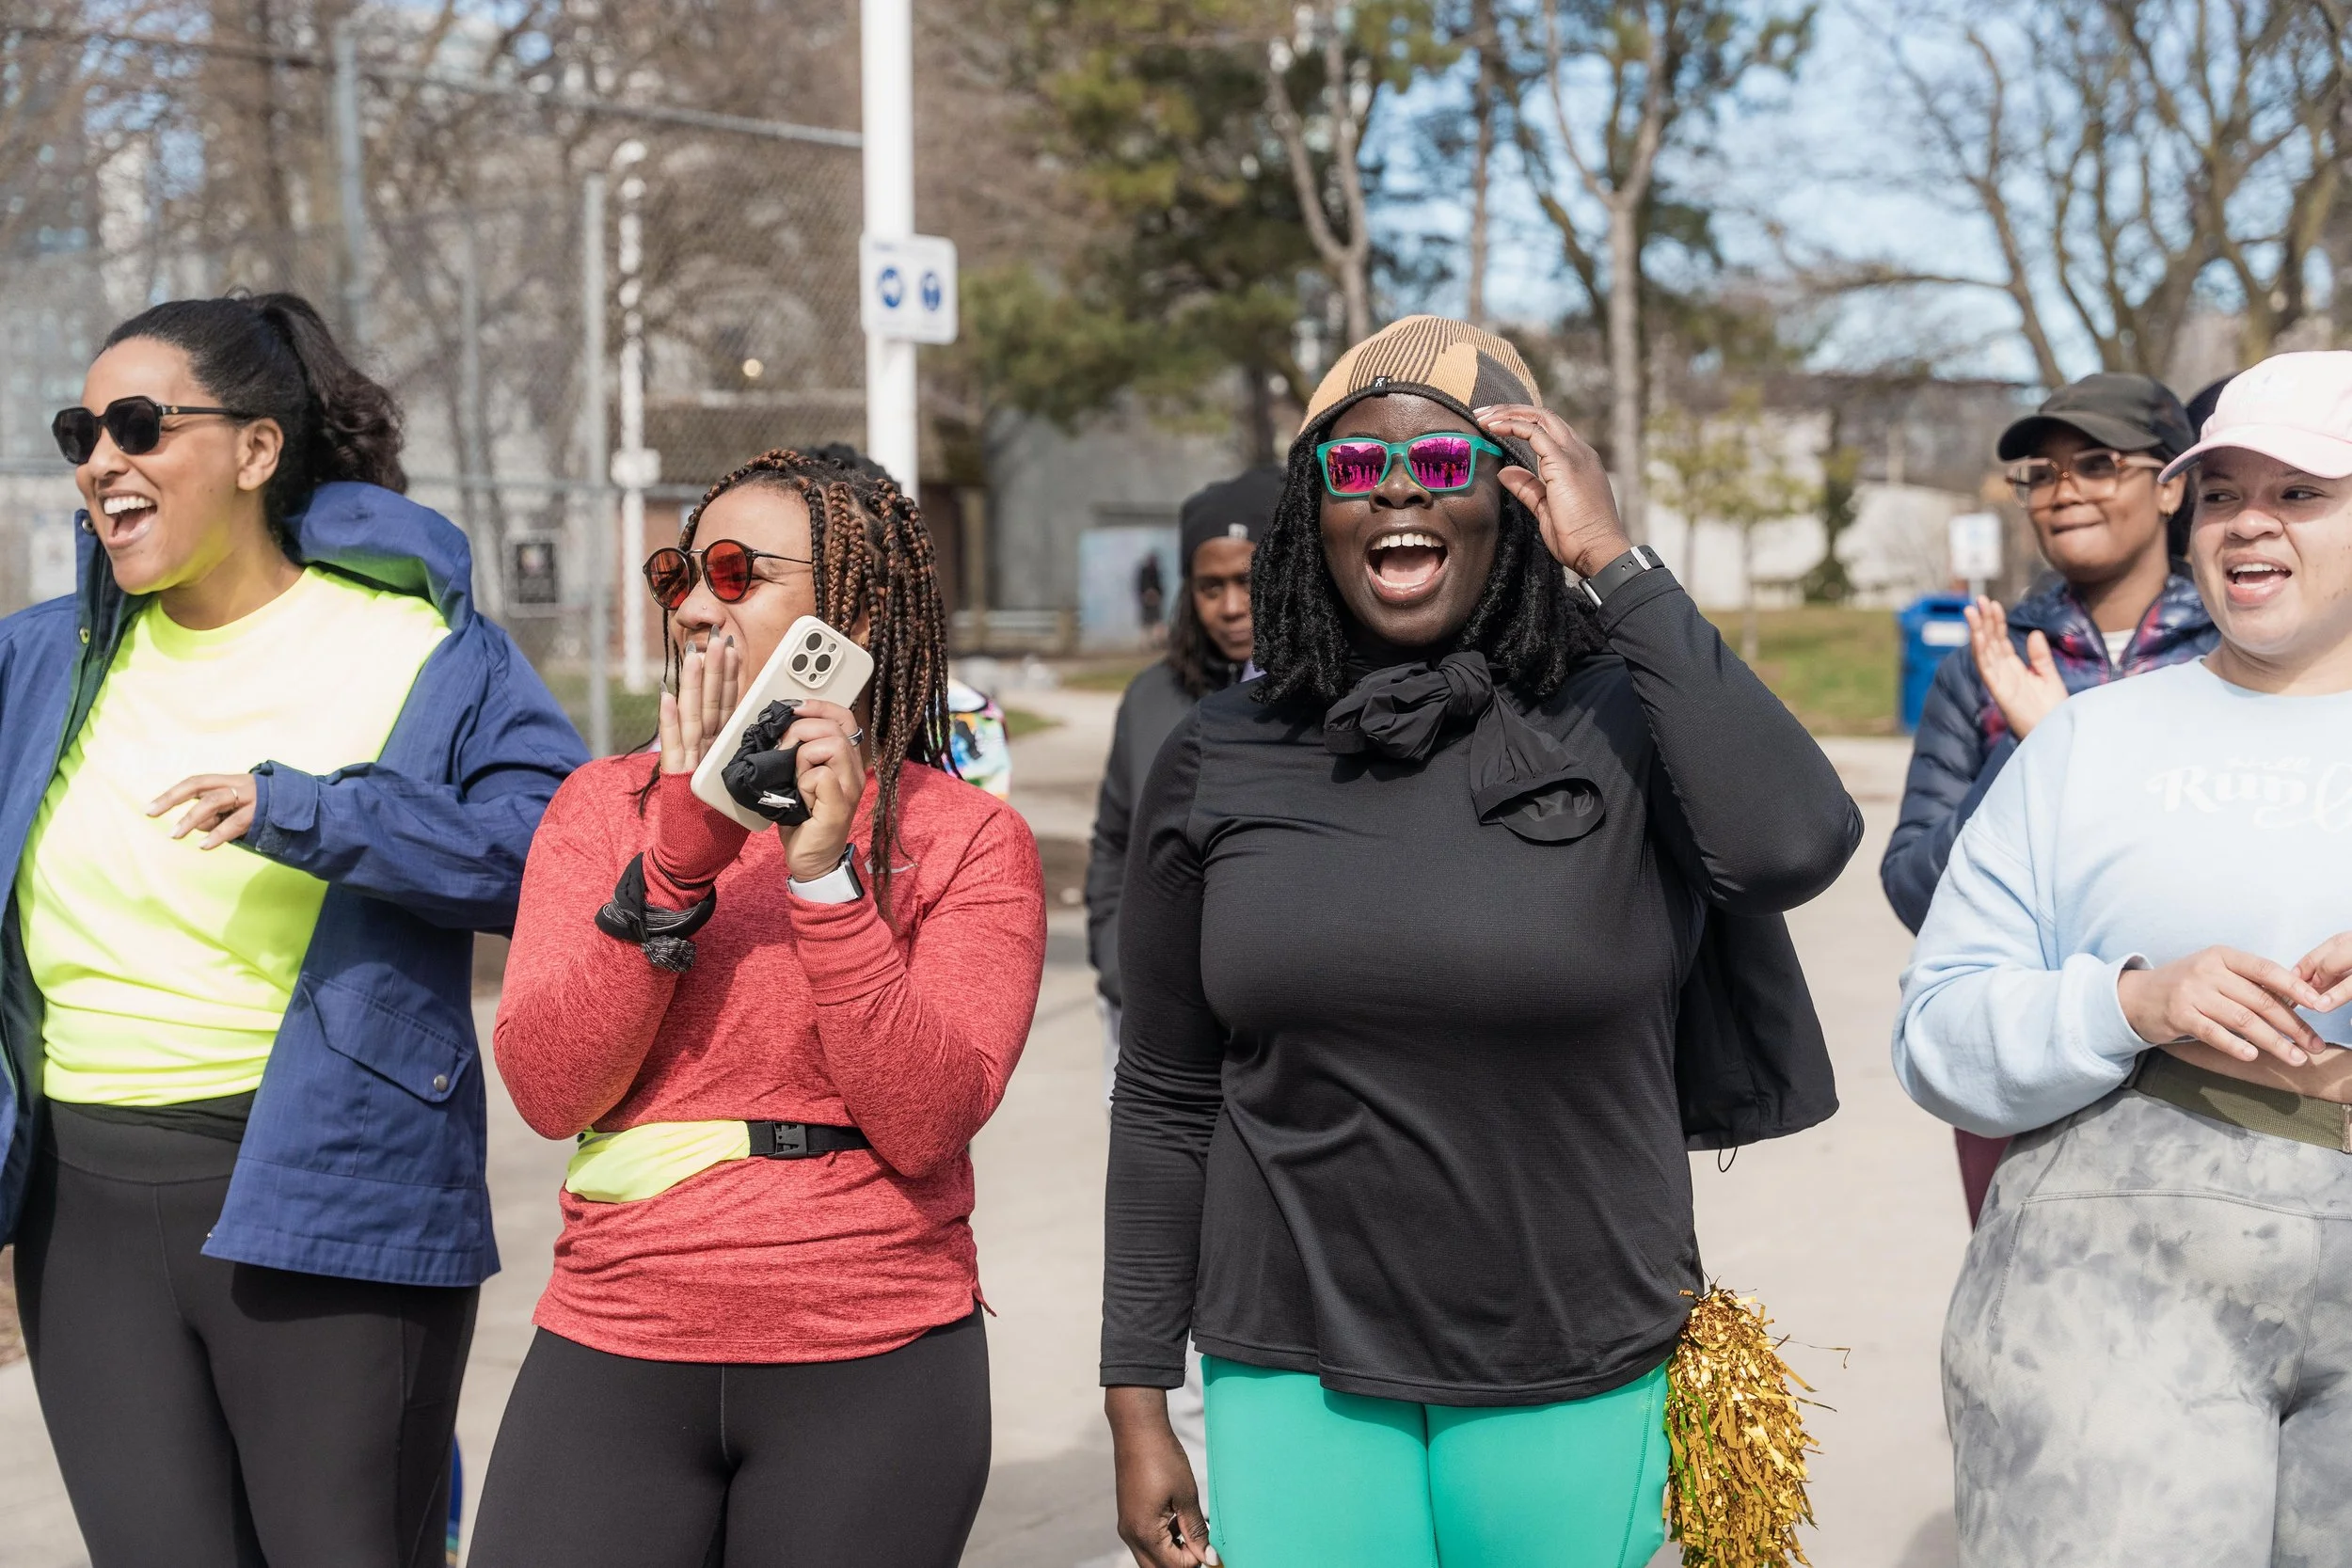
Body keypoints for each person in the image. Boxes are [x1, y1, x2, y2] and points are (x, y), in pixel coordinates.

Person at [1101, 317, 1860, 1568]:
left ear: (1517, 499)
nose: (1399, 491)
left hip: (1576, 1351)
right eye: (1355, 471)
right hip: (1291, 1362)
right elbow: (1168, 1094)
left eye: (1446, 466)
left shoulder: (1625, 717)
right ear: (1314, 516)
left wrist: (1615, 558)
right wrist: (1137, 1395)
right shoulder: (1221, 751)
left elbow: (1793, 842)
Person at [0, 293, 583, 1568]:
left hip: (329, 1178)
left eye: (142, 424)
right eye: (81, 430)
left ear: (258, 451)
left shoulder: (421, 646)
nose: (104, 460)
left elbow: (558, 852)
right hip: (80, 1206)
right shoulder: (41, 661)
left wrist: (306, 813)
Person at [471, 447, 1047, 1568]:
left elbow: (926, 1118)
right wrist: (676, 864)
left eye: (735, 573)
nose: (691, 603)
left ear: (851, 609)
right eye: (678, 571)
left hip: (874, 1354)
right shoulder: (600, 808)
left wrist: (828, 881)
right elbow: (549, 1088)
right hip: (619, 1332)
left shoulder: (965, 837)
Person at [1893, 350, 2352, 1564]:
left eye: (2300, 492)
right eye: (2223, 492)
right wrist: (2131, 999)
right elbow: (1935, 1026)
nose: (2248, 521)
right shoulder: (2088, 744)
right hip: (2112, 1278)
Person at [1881, 372, 2214, 1226]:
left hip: (2211, 1079)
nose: (2064, 491)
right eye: (2042, 472)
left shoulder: (2229, 653)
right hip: (2031, 1079)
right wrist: (2035, 750)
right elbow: (1917, 885)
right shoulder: (1982, 666)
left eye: (2097, 464)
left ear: (2172, 482)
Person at [1084, 463, 1279, 1490]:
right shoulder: (1152, 700)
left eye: (1251, 578)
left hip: (1267, 1025)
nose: (1234, 604)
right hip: (1158, 1026)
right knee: (1172, 1244)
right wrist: (1125, 967)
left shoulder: (1317, 692)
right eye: (1212, 585)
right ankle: (1190, 1483)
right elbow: (1114, 844)